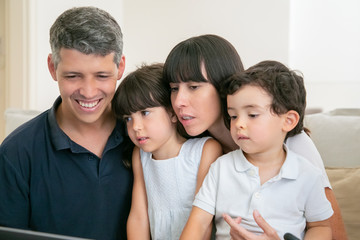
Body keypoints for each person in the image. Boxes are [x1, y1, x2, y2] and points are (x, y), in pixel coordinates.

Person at [163, 34, 347, 239]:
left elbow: (330, 230)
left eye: (194, 86)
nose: (179, 101)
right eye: (174, 89)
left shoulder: (292, 143)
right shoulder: (200, 152)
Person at [0, 7, 133, 240]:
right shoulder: (16, 153)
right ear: (52, 67)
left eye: (102, 76)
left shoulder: (147, 138)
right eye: (73, 76)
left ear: (120, 67)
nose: (89, 92)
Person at [112, 63, 222, 239]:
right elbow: (138, 217)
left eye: (145, 113)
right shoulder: (140, 155)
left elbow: (203, 222)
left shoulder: (205, 150)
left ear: (173, 113)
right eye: (128, 118)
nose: (136, 127)